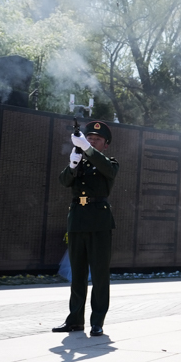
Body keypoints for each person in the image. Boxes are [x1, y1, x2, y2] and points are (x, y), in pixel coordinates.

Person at [53, 121, 119, 337]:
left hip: (99, 222)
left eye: (97, 140)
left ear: (105, 145)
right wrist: (72, 166)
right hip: (77, 221)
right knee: (77, 274)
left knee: (100, 275)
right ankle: (75, 320)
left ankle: (97, 321)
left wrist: (88, 150)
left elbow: (107, 170)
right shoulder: (78, 160)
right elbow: (63, 182)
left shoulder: (109, 162)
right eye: (88, 138)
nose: (91, 141)